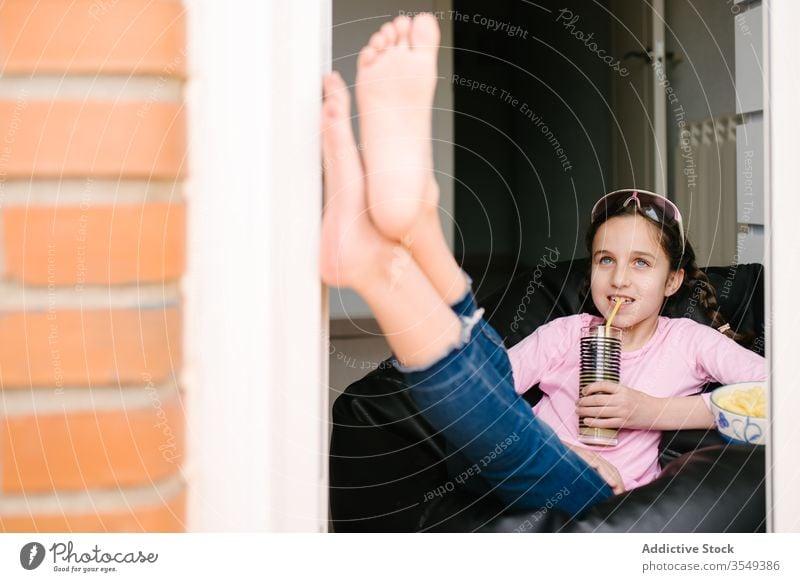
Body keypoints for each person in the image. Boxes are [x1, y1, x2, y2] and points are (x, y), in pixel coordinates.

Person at [319, 13, 766, 516]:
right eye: (605, 260)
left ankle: (408, 237)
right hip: (536, 459)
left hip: (597, 495)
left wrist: (652, 410)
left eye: (641, 263)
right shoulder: (568, 334)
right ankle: (414, 232)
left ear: (673, 280)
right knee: (485, 391)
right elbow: (490, 389)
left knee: (503, 426)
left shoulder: (690, 342)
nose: (619, 277)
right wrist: (570, 449)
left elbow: (774, 392)